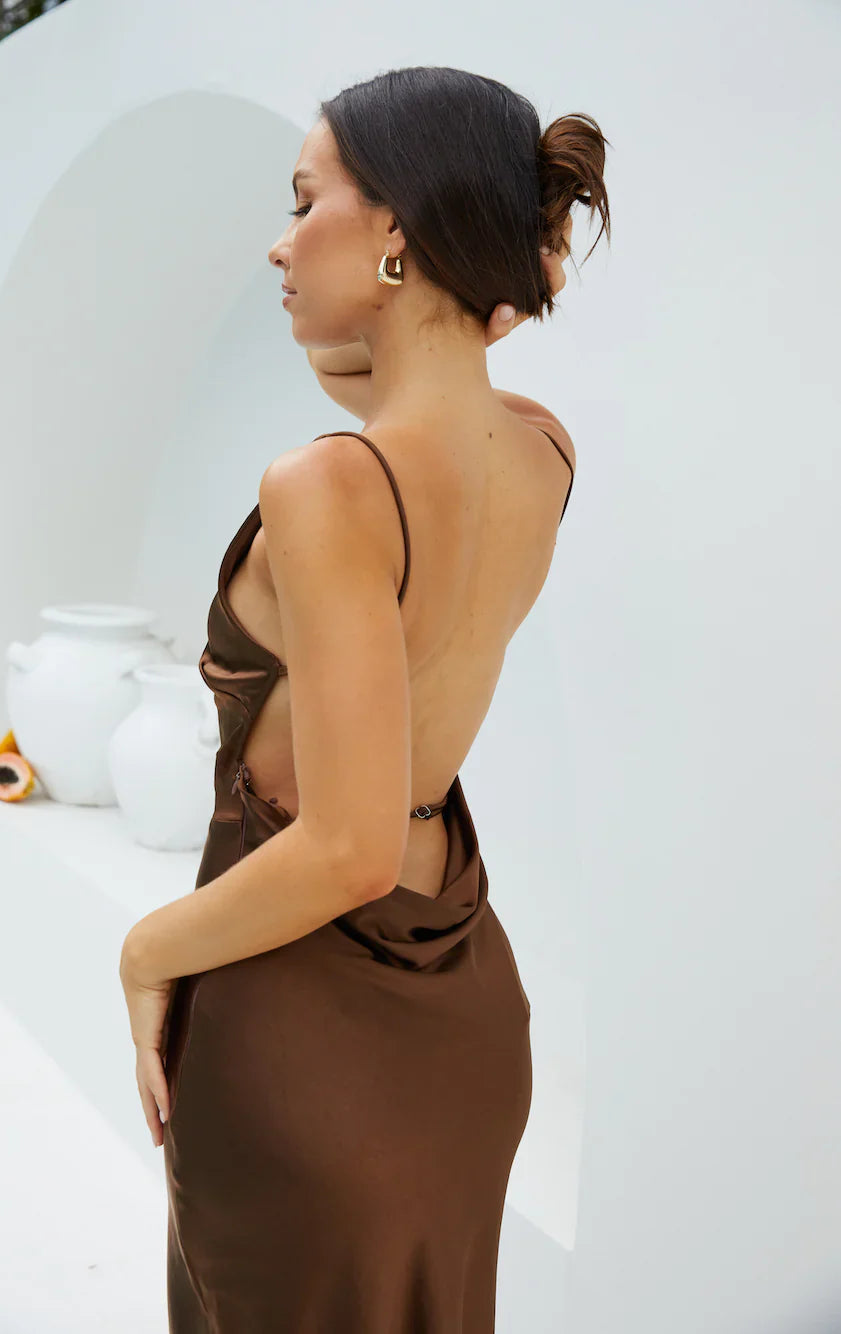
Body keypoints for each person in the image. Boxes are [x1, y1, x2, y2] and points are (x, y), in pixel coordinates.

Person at [119, 64, 610, 1333]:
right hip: (465, 1023)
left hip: (300, 1025)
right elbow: (401, 380)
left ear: (395, 226)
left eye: (303, 201)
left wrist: (143, 951)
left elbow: (342, 846)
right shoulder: (541, 449)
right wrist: (449, 287)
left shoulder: (328, 488)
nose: (279, 244)